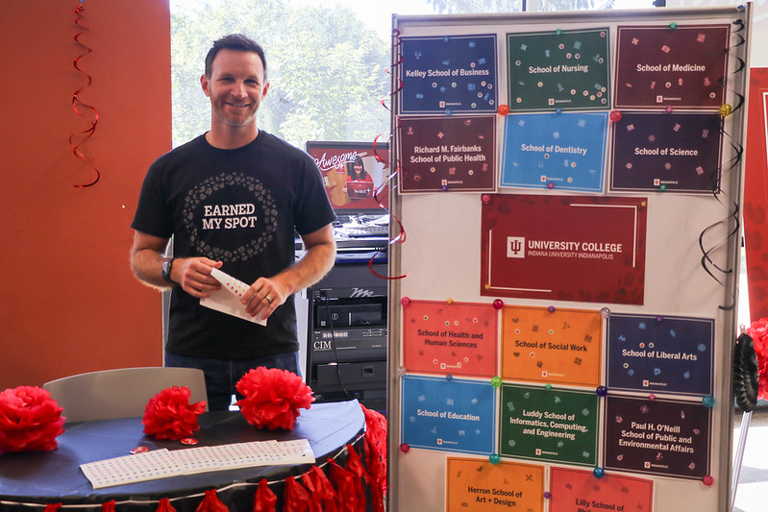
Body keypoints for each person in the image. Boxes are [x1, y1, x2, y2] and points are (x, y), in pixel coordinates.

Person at [129, 34, 337, 410]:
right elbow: (142, 257)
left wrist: (283, 284)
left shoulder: (296, 167)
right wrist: (173, 268)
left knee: (276, 465)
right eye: (227, 79)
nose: (239, 92)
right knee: (192, 463)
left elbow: (323, 247)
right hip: (191, 353)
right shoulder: (168, 170)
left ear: (265, 88)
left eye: (250, 81)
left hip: (271, 350)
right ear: (206, 84)